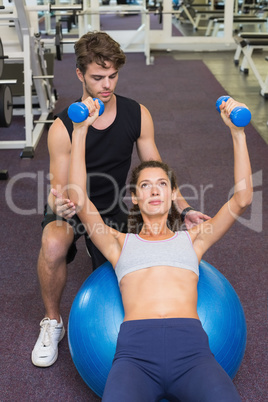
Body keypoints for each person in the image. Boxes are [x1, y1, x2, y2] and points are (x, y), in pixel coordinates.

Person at [31, 31, 209, 368]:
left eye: (113, 75)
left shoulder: (137, 114)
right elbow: (61, 186)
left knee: (123, 270)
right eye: (98, 77)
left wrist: (183, 207)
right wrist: (61, 205)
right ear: (80, 74)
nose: (107, 84)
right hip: (74, 202)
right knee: (53, 243)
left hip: (112, 206)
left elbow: (157, 171)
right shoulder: (62, 127)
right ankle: (52, 321)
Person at [67, 96, 252, 401]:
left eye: (163, 184)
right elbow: (79, 198)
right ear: (135, 199)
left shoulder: (193, 239)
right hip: (134, 358)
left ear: (171, 196)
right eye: (145, 185)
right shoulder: (118, 242)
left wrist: (238, 133)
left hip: (193, 355)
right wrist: (80, 130)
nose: (155, 189)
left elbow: (242, 199)